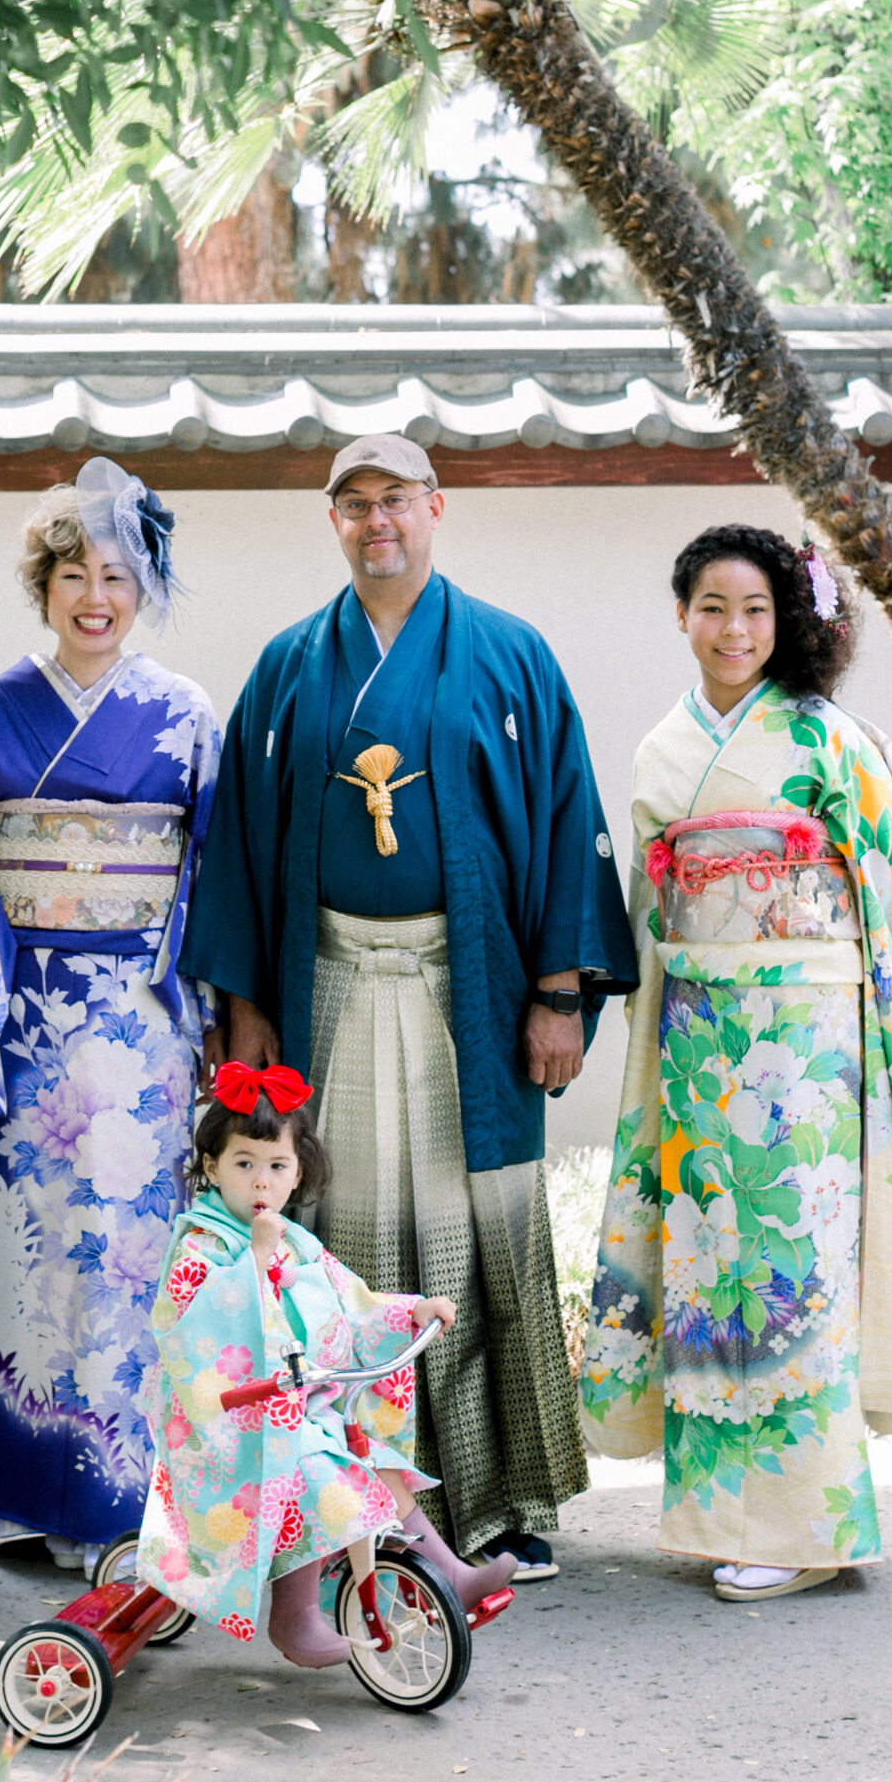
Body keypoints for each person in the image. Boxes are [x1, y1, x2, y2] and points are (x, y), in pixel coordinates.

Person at [183, 432, 637, 1581]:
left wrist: (558, 994)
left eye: (396, 499)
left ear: (436, 509)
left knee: (476, 1229)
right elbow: (239, 841)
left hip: (470, 989)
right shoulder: (291, 666)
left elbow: (562, 818)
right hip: (327, 977)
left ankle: (499, 1499)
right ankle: (337, 1497)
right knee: (325, 1233)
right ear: (334, 521)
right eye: (354, 504)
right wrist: (245, 1006)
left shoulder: (510, 655)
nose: (376, 520)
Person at [580, 523, 892, 1601]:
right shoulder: (661, 749)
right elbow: (651, 902)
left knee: (795, 1260)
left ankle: (808, 1522)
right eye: (712, 608)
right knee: (707, 1266)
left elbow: (886, 891)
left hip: (810, 1037)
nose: (733, 629)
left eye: (755, 610)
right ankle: (720, 1515)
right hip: (700, 1031)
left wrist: (890, 1034)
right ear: (682, 615)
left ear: (789, 620)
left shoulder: (836, 740)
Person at [0, 460, 219, 1576]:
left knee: (126, 1258)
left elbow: (207, 871)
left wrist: (200, 1013)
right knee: (26, 1249)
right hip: (24, 1016)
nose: (96, 595)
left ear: (145, 584)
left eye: (117, 573)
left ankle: (122, 1496)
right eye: (74, 573)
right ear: (44, 585)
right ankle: (24, 1491)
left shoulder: (184, 714)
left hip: (142, 1018)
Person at [137, 1063, 517, 1663]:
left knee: (378, 1461)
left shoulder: (298, 1241)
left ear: (297, 1174)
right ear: (211, 1167)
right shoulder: (202, 1245)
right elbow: (190, 1328)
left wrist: (409, 1313)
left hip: (292, 1404)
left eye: (277, 1165)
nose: (260, 1181)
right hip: (226, 1420)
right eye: (243, 1163)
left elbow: (349, 1300)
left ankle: (447, 1573)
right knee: (319, 1475)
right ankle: (295, 1618)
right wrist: (252, 1265)